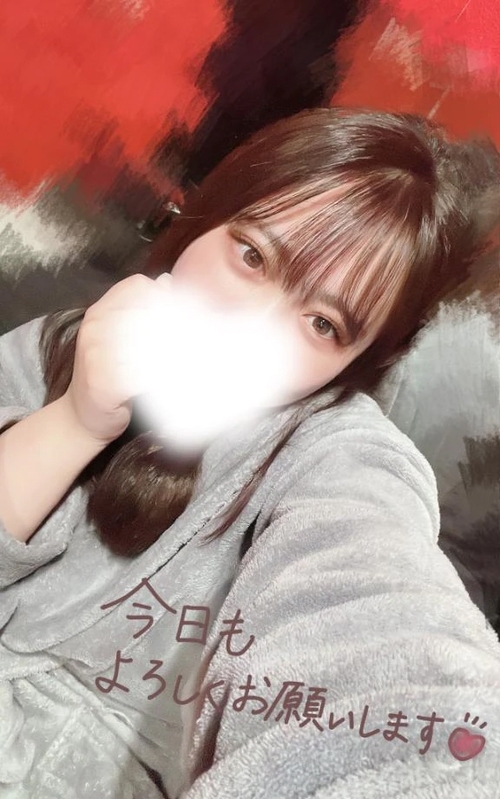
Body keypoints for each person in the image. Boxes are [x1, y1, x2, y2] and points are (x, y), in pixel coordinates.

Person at [0, 106, 499, 799]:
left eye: (323, 323)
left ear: (355, 363)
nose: (252, 328)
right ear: (205, 220)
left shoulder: (338, 458)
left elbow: (383, 625)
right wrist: (76, 420)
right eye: (254, 256)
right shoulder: (63, 339)